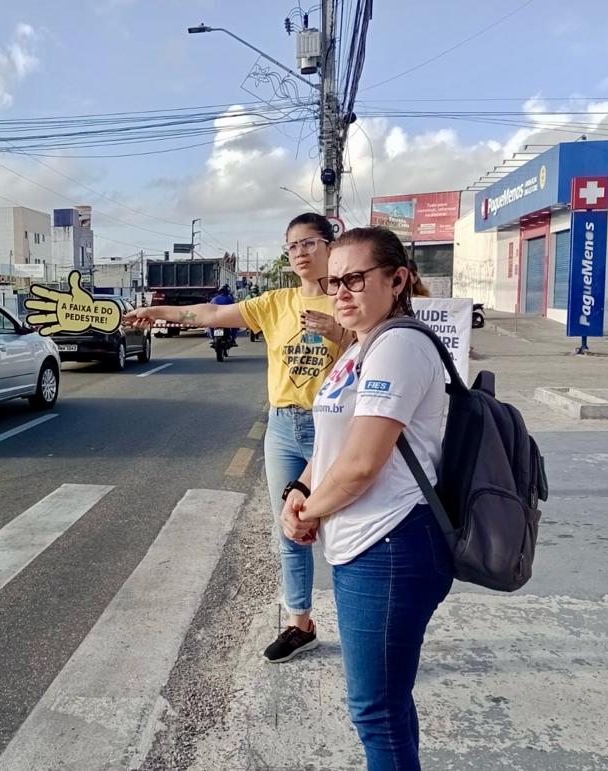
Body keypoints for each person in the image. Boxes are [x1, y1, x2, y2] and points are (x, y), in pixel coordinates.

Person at [126, 213, 352, 662]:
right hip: (284, 427)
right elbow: (210, 313)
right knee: (290, 530)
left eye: (309, 243)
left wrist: (341, 334)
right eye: (292, 247)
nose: (301, 253)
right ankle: (299, 623)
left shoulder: (348, 298)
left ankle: (360, 624)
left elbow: (376, 351)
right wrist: (154, 311)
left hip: (336, 428)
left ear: (330, 245)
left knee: (344, 532)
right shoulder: (275, 303)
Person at [280, 226, 452, 770]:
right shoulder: (360, 347)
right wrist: (301, 489)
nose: (341, 293)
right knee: (389, 707)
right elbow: (334, 446)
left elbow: (359, 466)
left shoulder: (398, 345)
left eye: (355, 278)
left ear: (397, 279)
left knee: (374, 711)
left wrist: (310, 512)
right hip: (366, 544)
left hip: (393, 546)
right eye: (334, 282)